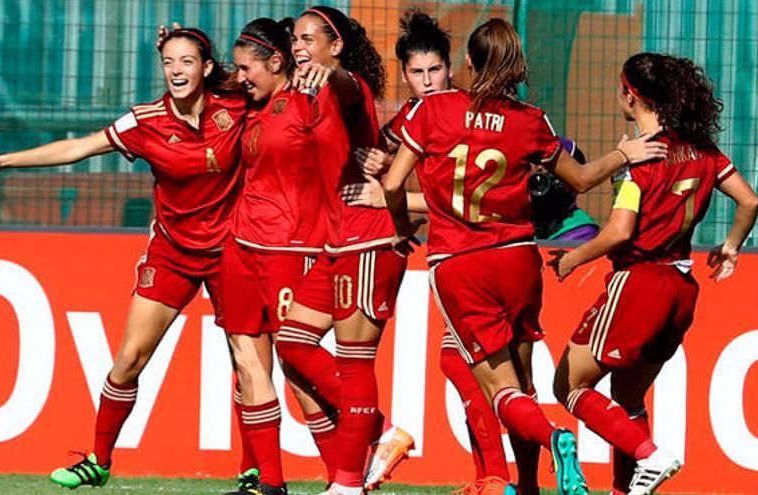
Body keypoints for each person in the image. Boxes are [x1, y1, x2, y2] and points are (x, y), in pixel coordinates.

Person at [382, 19, 668, 495]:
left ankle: (556, 438)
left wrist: (397, 230)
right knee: (526, 381)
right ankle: (531, 486)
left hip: (459, 263)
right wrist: (624, 155)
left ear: (466, 64)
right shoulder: (530, 119)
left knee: (502, 391)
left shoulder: (433, 110)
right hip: (517, 259)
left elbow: (392, 183)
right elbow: (578, 180)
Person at [0, 28, 247, 489]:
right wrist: (3, 161)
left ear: (207, 68)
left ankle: (253, 469)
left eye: (187, 62)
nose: (176, 71)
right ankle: (98, 460)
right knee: (129, 359)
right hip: (172, 252)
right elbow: (77, 148)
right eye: (169, 62)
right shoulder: (146, 120)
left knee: (247, 363)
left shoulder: (236, 107)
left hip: (233, 251)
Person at [549, 52, 758, 495]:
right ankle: (626, 490)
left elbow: (619, 232)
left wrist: (571, 260)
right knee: (627, 400)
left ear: (632, 96)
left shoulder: (640, 160)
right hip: (681, 290)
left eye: (620, 87)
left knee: (568, 384)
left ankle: (650, 455)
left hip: (639, 282)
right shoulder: (702, 150)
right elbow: (750, 201)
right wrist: (730, 247)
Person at [343, 11, 530, 495]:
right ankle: (498, 477)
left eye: (435, 71)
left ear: (453, 69)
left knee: (474, 368)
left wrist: (392, 196)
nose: (427, 82)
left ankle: (499, 476)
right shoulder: (410, 118)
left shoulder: (458, 112)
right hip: (452, 257)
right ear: (404, 74)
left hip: (476, 257)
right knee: (476, 370)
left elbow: (460, 196)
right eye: (417, 73)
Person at [272, 6, 414, 495]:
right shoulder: (303, 92)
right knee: (291, 342)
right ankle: (382, 432)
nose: (299, 46)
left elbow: (352, 90)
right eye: (295, 39)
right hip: (338, 241)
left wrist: (331, 72)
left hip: (371, 238)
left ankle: (348, 485)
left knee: (355, 362)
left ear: (335, 47)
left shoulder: (346, 84)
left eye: (309, 38)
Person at [220, 17, 350, 495]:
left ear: (276, 63)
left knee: (299, 373)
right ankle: (269, 484)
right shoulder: (250, 103)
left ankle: (355, 460)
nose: (240, 77)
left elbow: (350, 130)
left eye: (246, 68)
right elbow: (201, 82)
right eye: (235, 69)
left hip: (292, 249)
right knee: (247, 363)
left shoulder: (311, 98)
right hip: (241, 248)